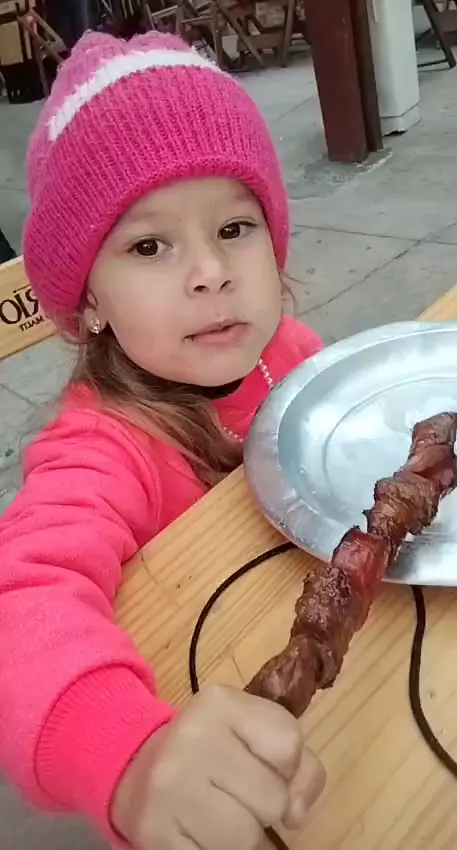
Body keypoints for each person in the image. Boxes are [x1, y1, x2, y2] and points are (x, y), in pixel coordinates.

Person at [0, 30, 327, 850]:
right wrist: (129, 757)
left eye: (235, 227)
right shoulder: (101, 446)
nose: (211, 271)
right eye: (150, 245)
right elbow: (21, 605)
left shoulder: (293, 355)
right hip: (199, 749)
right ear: (91, 300)